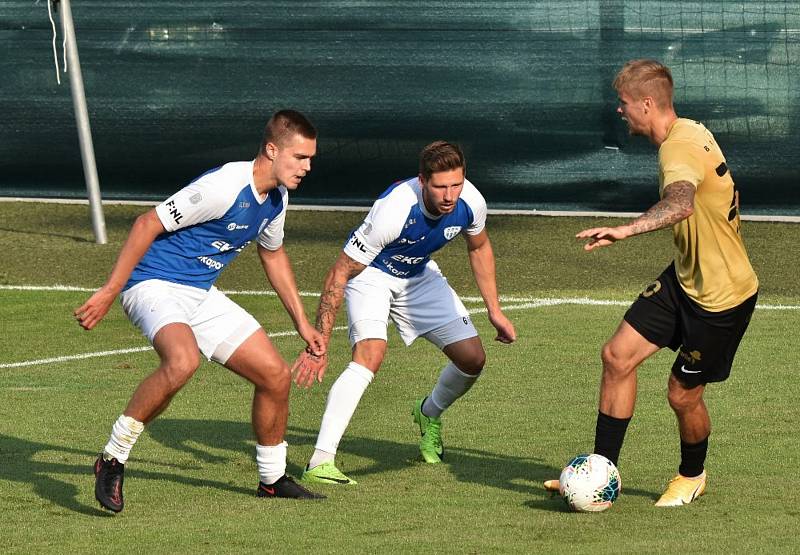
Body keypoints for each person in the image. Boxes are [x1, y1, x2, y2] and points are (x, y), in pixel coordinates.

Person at [74, 109, 327, 512]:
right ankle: (113, 457)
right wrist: (110, 289)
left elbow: (274, 255)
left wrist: (302, 324)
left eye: (311, 159)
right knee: (183, 361)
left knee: (275, 376)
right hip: (153, 284)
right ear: (272, 149)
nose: (307, 167)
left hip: (198, 293)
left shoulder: (276, 200)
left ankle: (272, 480)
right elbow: (145, 224)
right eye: (300, 157)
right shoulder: (225, 186)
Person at [544, 59, 759, 506]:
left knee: (682, 395)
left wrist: (626, 229)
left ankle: (692, 475)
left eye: (623, 104)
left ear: (647, 103)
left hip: (721, 301)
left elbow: (680, 203)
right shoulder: (692, 131)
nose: (619, 111)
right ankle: (600, 474)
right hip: (685, 281)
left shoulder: (676, 150)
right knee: (617, 356)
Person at [291, 140, 516, 485]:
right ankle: (320, 460)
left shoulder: (471, 201)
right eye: (440, 186)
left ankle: (429, 413)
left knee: (472, 359)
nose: (449, 195)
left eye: (456, 184)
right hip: (372, 277)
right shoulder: (395, 209)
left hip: (418, 276)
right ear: (422, 181)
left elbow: (480, 246)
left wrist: (495, 311)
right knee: (371, 355)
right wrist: (318, 344)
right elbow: (340, 272)